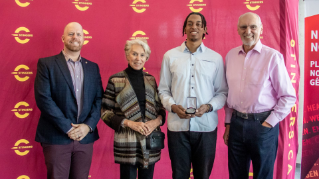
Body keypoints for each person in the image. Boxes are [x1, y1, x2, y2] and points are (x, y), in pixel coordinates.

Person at [223, 12, 297, 179]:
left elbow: (288, 96)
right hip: (236, 124)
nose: (248, 31)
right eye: (243, 27)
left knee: (262, 175)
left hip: (263, 126)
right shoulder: (230, 56)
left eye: (253, 27)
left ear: (261, 29)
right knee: (236, 175)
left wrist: (269, 123)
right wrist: (228, 123)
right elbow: (228, 94)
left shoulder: (273, 57)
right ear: (237, 30)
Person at [158, 12, 228, 179]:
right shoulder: (170, 56)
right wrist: (173, 106)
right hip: (177, 127)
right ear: (184, 28)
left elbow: (222, 93)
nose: (194, 27)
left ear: (204, 29)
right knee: (179, 174)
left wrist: (209, 107)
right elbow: (163, 90)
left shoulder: (215, 58)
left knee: (203, 175)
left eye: (198, 24)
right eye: (190, 23)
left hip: (206, 127)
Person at [34, 22, 103, 179]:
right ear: (63, 38)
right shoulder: (47, 64)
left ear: (84, 39)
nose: (75, 37)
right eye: (71, 34)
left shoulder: (93, 68)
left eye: (79, 34)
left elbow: (99, 100)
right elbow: (44, 99)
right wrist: (68, 128)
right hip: (56, 136)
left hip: (85, 138)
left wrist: (88, 126)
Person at [101, 39, 166, 179]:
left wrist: (156, 122)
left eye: (142, 55)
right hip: (127, 141)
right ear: (127, 55)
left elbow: (160, 108)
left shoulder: (151, 80)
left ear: (146, 58)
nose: (138, 58)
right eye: (134, 54)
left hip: (150, 139)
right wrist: (130, 123)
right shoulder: (115, 80)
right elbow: (105, 112)